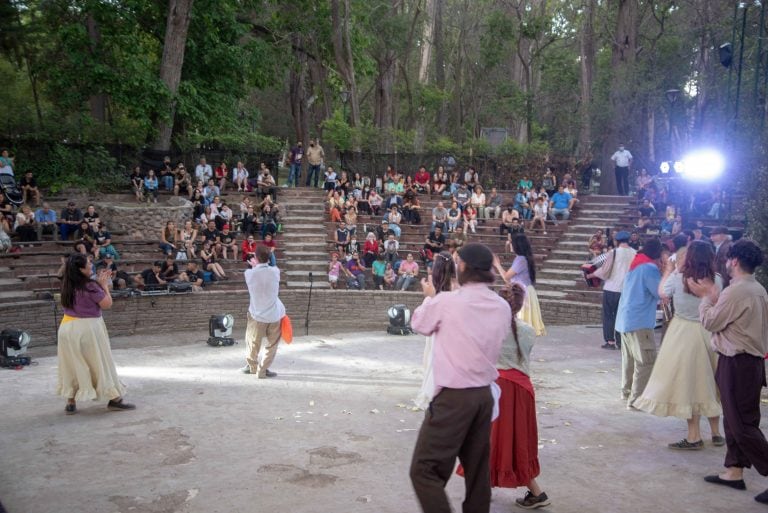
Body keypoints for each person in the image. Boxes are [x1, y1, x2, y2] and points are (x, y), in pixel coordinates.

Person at [409, 242, 512, 513]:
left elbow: (419, 324)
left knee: (423, 470)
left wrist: (429, 296)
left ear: (463, 267)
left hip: (454, 398)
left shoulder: (446, 302)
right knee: (478, 473)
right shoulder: (501, 306)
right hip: (483, 397)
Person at [687, 239, 768, 500]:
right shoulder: (756, 288)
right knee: (735, 421)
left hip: (738, 362)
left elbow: (711, 322)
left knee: (741, 424)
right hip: (746, 361)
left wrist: (706, 298)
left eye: (728, 259)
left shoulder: (739, 291)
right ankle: (734, 471)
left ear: (733, 261)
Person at [634, 241, 724, 450]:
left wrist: (668, 270)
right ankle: (717, 432)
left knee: (689, 383)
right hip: (710, 332)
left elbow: (662, 293)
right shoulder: (718, 280)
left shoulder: (678, 278)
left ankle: (694, 436)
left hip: (683, 333)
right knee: (711, 381)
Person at [57, 253, 135, 414]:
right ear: (81, 269)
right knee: (100, 362)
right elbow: (106, 304)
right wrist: (104, 285)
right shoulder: (89, 285)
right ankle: (114, 399)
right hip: (88, 328)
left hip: (66, 328)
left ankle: (70, 402)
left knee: (71, 364)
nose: (91, 265)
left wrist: (98, 283)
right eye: (88, 263)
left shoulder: (67, 283)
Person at [615, 237, 663, 409]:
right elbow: (660, 292)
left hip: (625, 319)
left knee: (629, 360)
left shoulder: (635, 265)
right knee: (646, 361)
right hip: (640, 320)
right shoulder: (649, 268)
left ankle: (626, 392)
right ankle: (636, 400)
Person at [413, 251, 455, 410]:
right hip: (453, 333)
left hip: (437, 332)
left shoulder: (435, 291)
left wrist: (429, 297)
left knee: (433, 360)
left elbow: (419, 322)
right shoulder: (458, 286)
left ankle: (433, 392)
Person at [587, 231, 637, 350]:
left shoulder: (613, 253)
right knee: (622, 316)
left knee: (609, 315)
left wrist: (592, 275)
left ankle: (610, 341)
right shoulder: (635, 253)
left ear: (616, 241)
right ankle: (621, 341)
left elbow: (605, 271)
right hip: (626, 290)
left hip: (611, 288)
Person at [241, 245, 285, 378]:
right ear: (269, 258)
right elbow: (272, 265)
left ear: (255, 257)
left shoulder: (249, 274)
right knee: (272, 345)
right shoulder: (275, 271)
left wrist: (255, 266)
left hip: (257, 316)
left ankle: (252, 367)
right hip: (274, 316)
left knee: (252, 342)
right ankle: (262, 370)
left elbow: (256, 274)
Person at [495, 234, 546, 336]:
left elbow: (506, 277)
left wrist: (496, 264)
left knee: (522, 322)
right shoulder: (522, 258)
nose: (510, 245)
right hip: (524, 290)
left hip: (523, 292)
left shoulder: (521, 259)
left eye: (512, 244)